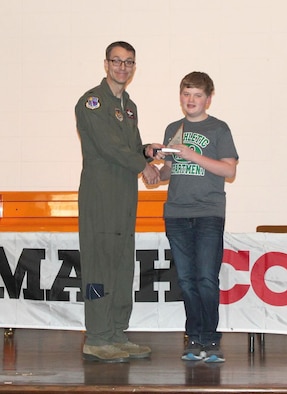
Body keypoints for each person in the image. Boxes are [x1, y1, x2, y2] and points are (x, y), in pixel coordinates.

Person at [75, 41, 163, 363]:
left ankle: (115, 333)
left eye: (128, 62)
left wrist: (145, 151)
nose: (122, 67)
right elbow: (109, 147)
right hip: (101, 195)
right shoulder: (92, 103)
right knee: (99, 266)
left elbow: (127, 146)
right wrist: (143, 166)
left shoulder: (129, 107)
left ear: (134, 67)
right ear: (106, 64)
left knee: (122, 265)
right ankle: (97, 336)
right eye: (117, 61)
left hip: (124, 195)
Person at [159, 71, 239, 363]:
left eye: (197, 95)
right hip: (177, 213)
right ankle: (193, 337)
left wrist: (191, 154)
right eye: (186, 94)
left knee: (206, 278)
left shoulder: (219, 129)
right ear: (180, 96)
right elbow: (169, 171)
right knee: (186, 279)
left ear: (208, 98)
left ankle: (211, 339)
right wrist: (155, 170)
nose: (190, 100)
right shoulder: (172, 127)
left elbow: (229, 170)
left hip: (208, 213)